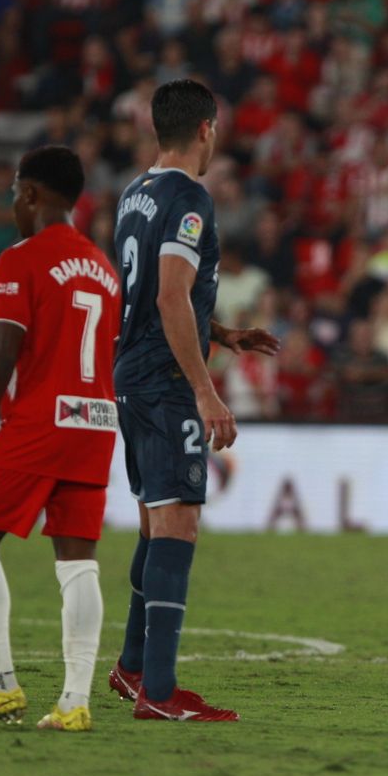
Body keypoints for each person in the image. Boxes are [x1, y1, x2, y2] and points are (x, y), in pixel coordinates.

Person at [105, 80, 279, 723]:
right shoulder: (190, 197)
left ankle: (131, 669)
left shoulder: (136, 193)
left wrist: (223, 333)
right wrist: (206, 392)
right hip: (165, 382)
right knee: (179, 521)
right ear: (207, 128)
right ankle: (160, 690)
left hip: (132, 370)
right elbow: (169, 296)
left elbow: (153, 291)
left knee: (155, 519)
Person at [0, 146, 120, 733]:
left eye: (16, 194)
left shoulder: (22, 259)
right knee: (77, 559)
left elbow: (0, 356)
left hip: (40, 422)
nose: (14, 205)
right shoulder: (104, 267)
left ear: (33, 195)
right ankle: (73, 701)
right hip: (95, 423)